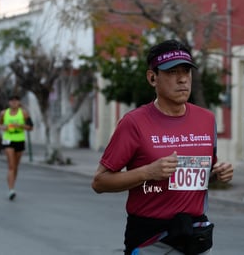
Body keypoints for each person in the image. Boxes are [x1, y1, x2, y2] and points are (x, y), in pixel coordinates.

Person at [92, 39, 234, 254]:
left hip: (195, 233)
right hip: (150, 236)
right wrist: (148, 172)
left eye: (186, 71)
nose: (182, 79)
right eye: (172, 72)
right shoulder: (134, 122)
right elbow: (99, 182)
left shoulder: (207, 120)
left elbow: (200, 176)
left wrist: (217, 174)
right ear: (152, 78)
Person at [0, 94, 33, 201]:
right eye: (11, 101)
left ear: (19, 102)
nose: (14, 103)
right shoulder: (4, 113)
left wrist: (21, 126)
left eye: (16, 101)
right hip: (8, 140)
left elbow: (30, 127)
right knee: (11, 165)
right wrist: (3, 127)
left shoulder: (24, 113)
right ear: (9, 102)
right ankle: (11, 190)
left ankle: (12, 183)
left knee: (16, 166)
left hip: (20, 140)